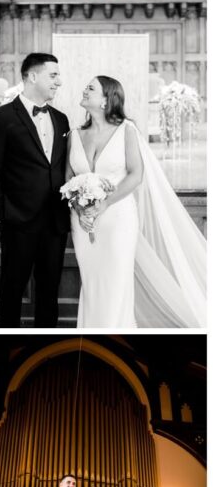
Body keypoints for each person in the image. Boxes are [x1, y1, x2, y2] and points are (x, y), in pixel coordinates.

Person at [65, 75, 206, 328]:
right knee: (92, 282)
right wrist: (79, 209)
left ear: (107, 99)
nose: (84, 90)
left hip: (117, 218)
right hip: (83, 222)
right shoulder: (74, 135)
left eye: (91, 88)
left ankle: (115, 339)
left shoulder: (126, 131)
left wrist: (105, 204)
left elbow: (136, 174)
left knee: (116, 282)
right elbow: (69, 179)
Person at [0, 53, 69, 327]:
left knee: (49, 295)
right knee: (11, 293)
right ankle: (5, 356)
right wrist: (0, 216)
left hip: (55, 222)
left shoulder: (61, 119)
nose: (59, 81)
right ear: (32, 77)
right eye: (53, 75)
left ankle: (45, 350)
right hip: (18, 222)